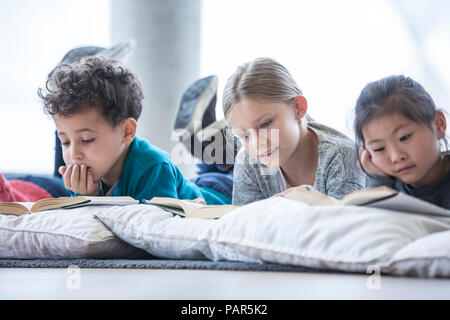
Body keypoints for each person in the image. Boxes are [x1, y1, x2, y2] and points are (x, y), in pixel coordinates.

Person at [38, 56, 231, 205]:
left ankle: (223, 142)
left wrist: (92, 199)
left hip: (224, 193)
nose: (74, 154)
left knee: (242, 165)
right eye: (64, 142)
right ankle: (214, 143)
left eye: (87, 140)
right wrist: (88, 196)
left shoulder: (153, 166)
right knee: (219, 164)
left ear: (127, 131)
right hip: (196, 183)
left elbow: (150, 233)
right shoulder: (84, 176)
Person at [222, 57, 366, 206]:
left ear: (298, 108)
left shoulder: (341, 157)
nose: (258, 143)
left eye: (265, 124)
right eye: (245, 135)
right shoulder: (248, 162)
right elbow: (245, 225)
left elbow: (343, 225)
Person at [354, 75, 450, 209]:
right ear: (367, 153)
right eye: (379, 149)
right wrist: (378, 180)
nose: (396, 157)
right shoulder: (388, 190)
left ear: (438, 125)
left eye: (404, 137)